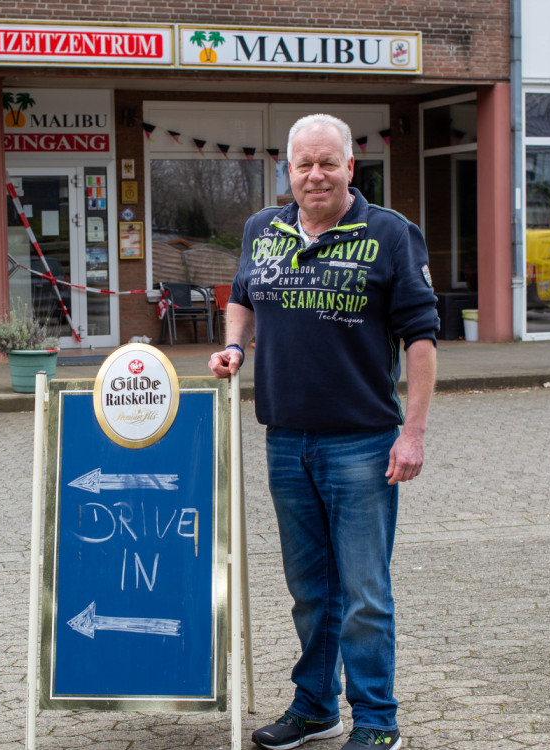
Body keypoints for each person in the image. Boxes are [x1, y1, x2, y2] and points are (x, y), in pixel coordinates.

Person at [209, 114, 438, 750]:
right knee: (310, 592)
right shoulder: (263, 228)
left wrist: (412, 433)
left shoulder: (391, 234)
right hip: (286, 439)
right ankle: (315, 706)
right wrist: (234, 348)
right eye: (303, 164)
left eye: (326, 163)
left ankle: (377, 721)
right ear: (288, 170)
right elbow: (242, 298)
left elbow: (421, 339)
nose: (315, 175)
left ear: (349, 167)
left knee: (365, 594)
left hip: (363, 442)